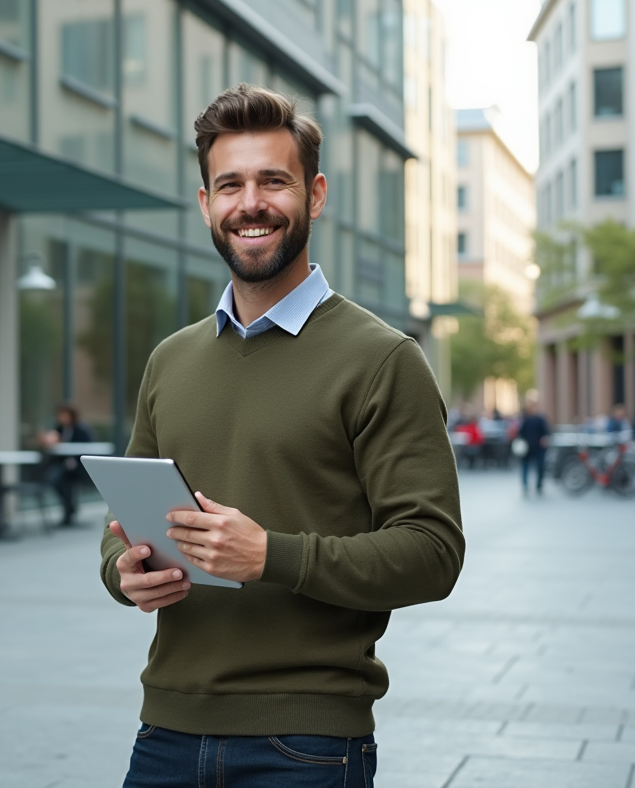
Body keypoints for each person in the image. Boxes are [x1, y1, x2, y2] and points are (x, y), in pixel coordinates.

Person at [99, 84, 464, 787]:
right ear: (206, 204)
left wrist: (271, 555)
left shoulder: (383, 359)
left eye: (274, 181)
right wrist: (124, 570)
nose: (251, 203)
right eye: (229, 184)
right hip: (166, 732)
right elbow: (121, 525)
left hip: (309, 743)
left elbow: (433, 553)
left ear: (316, 195)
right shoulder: (170, 360)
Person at [39, 403, 95, 526]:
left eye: (65, 415)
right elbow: (54, 444)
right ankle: (68, 508)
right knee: (55, 478)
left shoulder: (81, 430)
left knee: (60, 478)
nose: (62, 418)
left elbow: (88, 448)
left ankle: (69, 509)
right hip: (64, 466)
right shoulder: (59, 429)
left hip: (79, 466)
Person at [516, 398, 551, 495]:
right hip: (527, 448)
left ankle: (539, 485)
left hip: (538, 447)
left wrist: (544, 439)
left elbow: (546, 432)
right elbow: (520, 433)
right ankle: (525, 485)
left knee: (540, 467)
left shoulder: (540, 419)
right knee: (525, 467)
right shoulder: (525, 419)